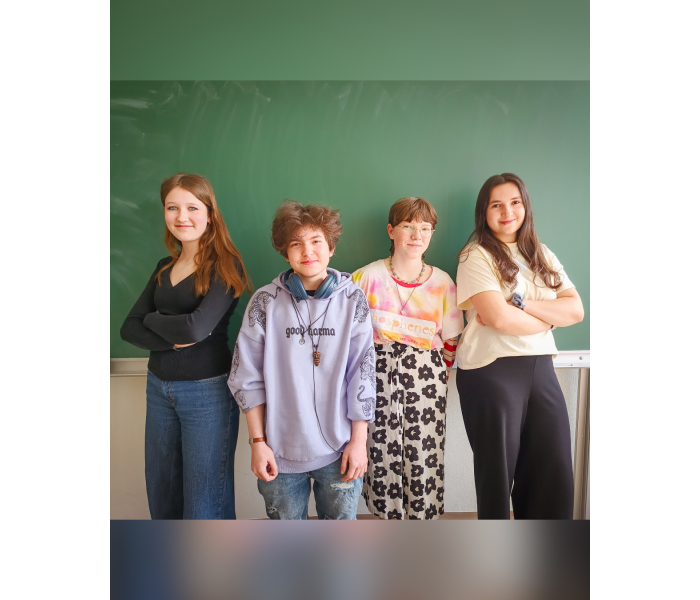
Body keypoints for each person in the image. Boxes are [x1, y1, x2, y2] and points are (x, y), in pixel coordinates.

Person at [228, 201, 375, 520]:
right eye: (296, 244)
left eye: (316, 241)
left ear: (331, 247)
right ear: (285, 253)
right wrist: (257, 442)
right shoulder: (265, 302)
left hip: (340, 452)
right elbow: (246, 377)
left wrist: (359, 441)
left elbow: (362, 374)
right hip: (279, 454)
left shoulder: (353, 299)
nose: (307, 251)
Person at [120, 173, 252, 519]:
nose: (182, 217)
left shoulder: (226, 266)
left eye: (192, 207)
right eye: (172, 207)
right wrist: (169, 333)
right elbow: (129, 327)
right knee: (162, 490)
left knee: (204, 501)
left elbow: (196, 328)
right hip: (158, 387)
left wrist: (152, 319)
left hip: (205, 392)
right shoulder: (163, 267)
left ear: (209, 213)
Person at [455, 173, 584, 519]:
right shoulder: (475, 255)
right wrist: (550, 318)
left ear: (525, 206)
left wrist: (523, 307)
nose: (507, 212)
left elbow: (576, 310)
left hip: (541, 368)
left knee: (553, 472)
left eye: (514, 203)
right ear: (484, 213)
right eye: (496, 205)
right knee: (497, 477)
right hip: (491, 370)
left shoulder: (541, 252)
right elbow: (498, 318)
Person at [353, 197, 464, 519]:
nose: (417, 235)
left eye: (425, 228)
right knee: (381, 453)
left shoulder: (443, 283)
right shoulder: (365, 278)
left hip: (426, 384)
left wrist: (431, 372)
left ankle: (422, 522)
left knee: (423, 454)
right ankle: (386, 520)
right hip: (377, 380)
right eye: (408, 226)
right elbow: (351, 340)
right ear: (391, 231)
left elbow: (451, 340)